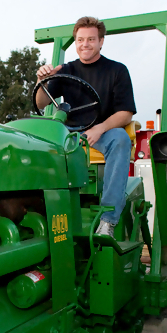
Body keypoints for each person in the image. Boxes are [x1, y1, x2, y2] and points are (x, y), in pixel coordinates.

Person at [36, 16, 136, 237]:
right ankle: (39, 211)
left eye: (91, 39)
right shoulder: (66, 70)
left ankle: (108, 219)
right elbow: (42, 103)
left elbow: (125, 113)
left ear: (101, 41)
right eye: (80, 39)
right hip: (68, 133)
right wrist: (42, 80)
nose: (85, 44)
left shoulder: (117, 70)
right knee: (33, 141)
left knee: (120, 139)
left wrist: (100, 128)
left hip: (103, 133)